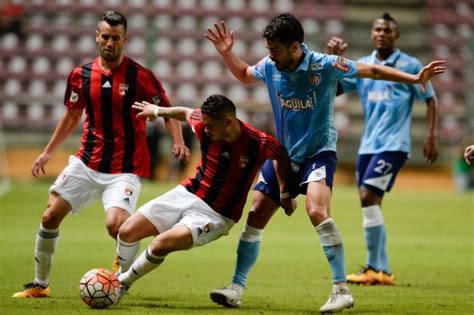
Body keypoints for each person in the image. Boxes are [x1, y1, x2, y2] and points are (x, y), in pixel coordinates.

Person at [204, 13, 445, 312]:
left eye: (275, 50)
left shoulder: (326, 65)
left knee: (317, 211)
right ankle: (236, 288)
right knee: (255, 214)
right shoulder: (270, 66)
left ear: (295, 47)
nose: (270, 56)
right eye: (268, 50)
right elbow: (243, 74)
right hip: (283, 155)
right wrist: (227, 52)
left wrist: (413, 78)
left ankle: (341, 290)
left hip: (318, 154)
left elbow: (372, 71)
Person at [12, 11, 190, 298]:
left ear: (125, 40)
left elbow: (167, 112)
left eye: (116, 38)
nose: (110, 43)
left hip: (123, 168)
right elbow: (71, 116)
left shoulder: (140, 76)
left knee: (117, 226)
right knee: (49, 216)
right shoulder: (80, 75)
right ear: (97, 36)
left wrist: (178, 140)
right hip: (85, 162)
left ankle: (120, 283)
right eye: (105, 37)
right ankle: (40, 285)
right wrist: (47, 152)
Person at [113, 94, 296, 304]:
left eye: (211, 126)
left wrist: (284, 192)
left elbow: (281, 155)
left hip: (216, 213)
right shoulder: (202, 123)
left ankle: (122, 283)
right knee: (126, 232)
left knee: (160, 244)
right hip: (188, 193)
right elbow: (185, 112)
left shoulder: (258, 142)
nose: (205, 129)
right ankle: (118, 278)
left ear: (228, 122)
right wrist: (156, 111)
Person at [326, 12, 440, 285]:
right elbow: (337, 89)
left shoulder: (410, 64)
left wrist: (431, 136)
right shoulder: (363, 65)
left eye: (387, 30)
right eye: (377, 29)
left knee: (368, 195)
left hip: (394, 144)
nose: (381, 34)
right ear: (371, 33)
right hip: (368, 145)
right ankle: (380, 269)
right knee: (369, 203)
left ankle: (376, 267)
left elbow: (430, 98)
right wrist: (332, 63)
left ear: (396, 35)